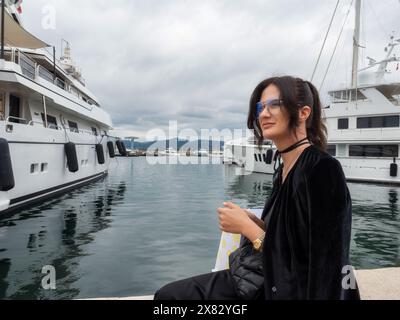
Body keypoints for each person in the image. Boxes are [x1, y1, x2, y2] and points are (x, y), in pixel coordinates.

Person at [154, 75, 360, 300]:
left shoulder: (322, 169)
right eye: (261, 106)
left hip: (288, 290)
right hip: (266, 277)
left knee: (171, 299)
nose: (263, 113)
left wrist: (249, 229)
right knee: (168, 296)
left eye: (275, 105)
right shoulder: (284, 167)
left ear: (303, 113)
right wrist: (255, 222)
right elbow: (294, 236)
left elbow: (325, 261)